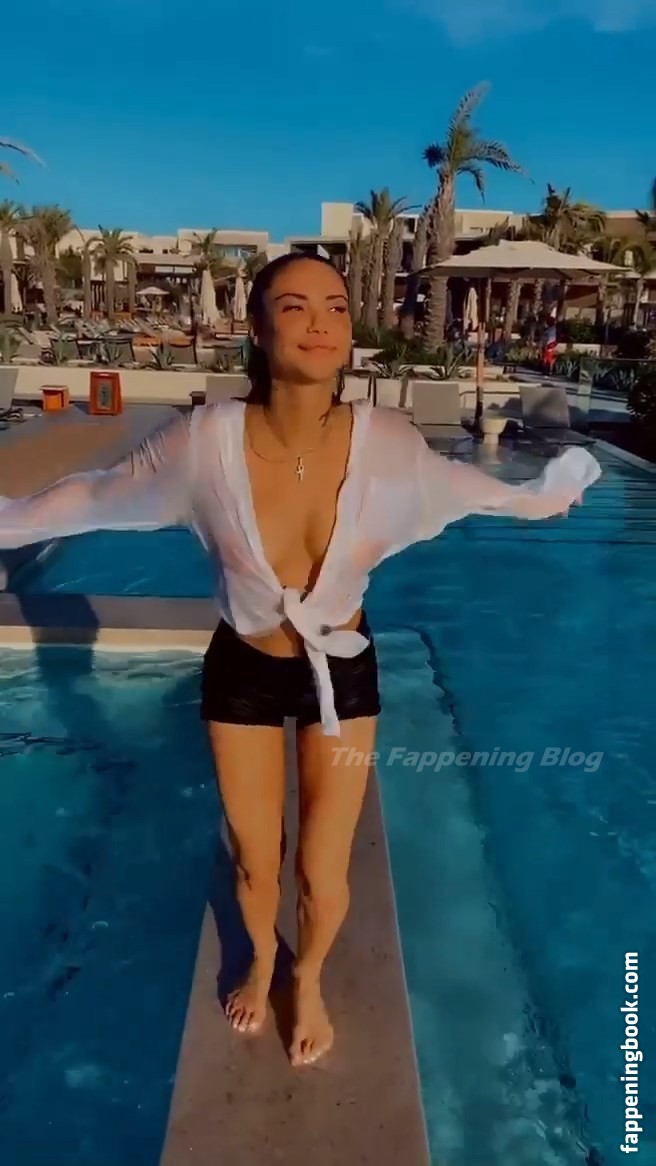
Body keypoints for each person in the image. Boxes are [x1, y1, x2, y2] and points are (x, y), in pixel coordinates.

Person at [0, 255, 601, 1067]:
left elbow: (470, 488)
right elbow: (89, 496)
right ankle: (258, 959)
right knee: (256, 863)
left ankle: (308, 975)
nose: (320, 322)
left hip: (340, 676)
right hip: (243, 672)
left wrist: (544, 497)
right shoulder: (202, 443)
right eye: (294, 305)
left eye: (335, 306)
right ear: (256, 328)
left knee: (323, 870)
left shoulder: (386, 444)